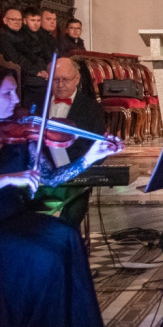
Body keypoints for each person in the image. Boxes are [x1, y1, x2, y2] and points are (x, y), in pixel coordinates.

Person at [0, 65, 121, 327]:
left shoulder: (19, 131)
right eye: (8, 93)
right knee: (42, 253)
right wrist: (9, 178)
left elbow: (51, 178)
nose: (16, 100)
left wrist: (91, 157)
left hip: (13, 218)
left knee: (66, 235)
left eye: (15, 91)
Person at [34, 57, 108, 228]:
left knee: (70, 218)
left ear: (77, 79)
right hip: (39, 179)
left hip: (76, 179)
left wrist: (72, 165)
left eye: (65, 79)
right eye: (55, 79)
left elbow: (95, 146)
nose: (60, 85)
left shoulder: (91, 107)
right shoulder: (34, 102)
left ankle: (63, 243)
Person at [0, 6, 49, 108]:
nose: (17, 22)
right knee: (41, 86)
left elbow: (32, 54)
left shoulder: (20, 34)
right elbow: (16, 58)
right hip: (16, 74)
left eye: (19, 20)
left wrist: (43, 70)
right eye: (13, 19)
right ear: (5, 20)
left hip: (27, 71)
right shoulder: (3, 36)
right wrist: (37, 72)